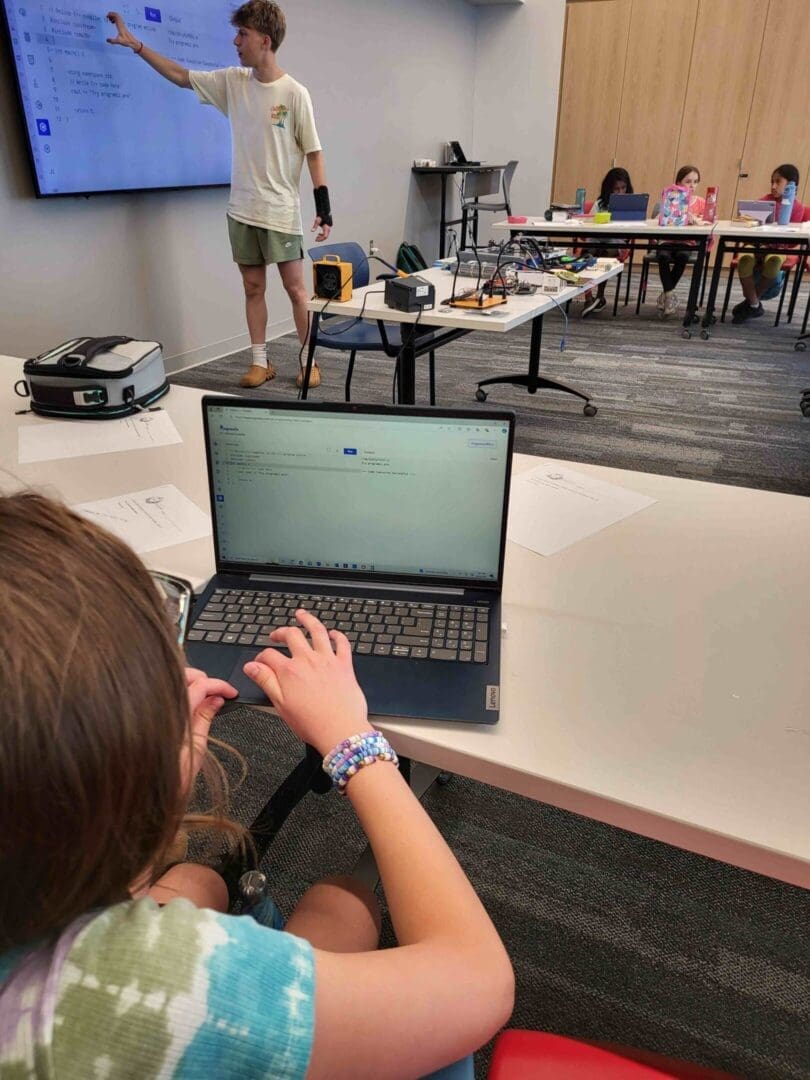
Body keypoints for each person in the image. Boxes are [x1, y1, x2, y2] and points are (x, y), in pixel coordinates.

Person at [0, 491, 514, 1078]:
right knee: (343, 901)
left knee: (194, 880)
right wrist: (352, 742)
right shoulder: (165, 988)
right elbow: (480, 980)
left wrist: (151, 782)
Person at [106, 2, 331, 390]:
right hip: (242, 210)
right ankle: (260, 362)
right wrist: (138, 46)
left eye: (242, 34)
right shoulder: (232, 82)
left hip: (280, 212)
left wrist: (323, 209)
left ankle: (307, 359)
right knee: (252, 288)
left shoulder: (295, 94)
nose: (235, 41)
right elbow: (180, 76)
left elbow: (313, 152)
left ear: (264, 39)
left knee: (296, 290)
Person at [732, 164, 806, 324]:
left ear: (791, 185)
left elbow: (791, 240)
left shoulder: (797, 207)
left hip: (778, 248)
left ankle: (751, 303)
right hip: (755, 245)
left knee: (773, 263)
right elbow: (748, 226)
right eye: (772, 181)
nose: (773, 186)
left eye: (778, 182)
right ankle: (755, 304)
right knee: (744, 261)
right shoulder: (763, 202)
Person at [654, 164, 706, 318]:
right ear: (678, 183)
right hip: (667, 240)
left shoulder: (701, 202)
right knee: (662, 256)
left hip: (687, 242)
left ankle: (666, 294)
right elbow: (657, 219)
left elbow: (707, 222)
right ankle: (670, 295)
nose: (692, 185)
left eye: (695, 182)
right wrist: (666, 214)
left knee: (683, 256)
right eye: (688, 181)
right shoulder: (670, 198)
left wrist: (694, 220)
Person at [582, 167, 634, 317]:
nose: (620, 192)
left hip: (615, 242)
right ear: (609, 189)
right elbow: (588, 225)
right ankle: (588, 297)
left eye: (623, 188)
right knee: (587, 255)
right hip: (596, 239)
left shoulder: (631, 205)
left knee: (604, 255)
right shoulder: (600, 203)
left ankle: (600, 295)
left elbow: (632, 229)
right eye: (616, 189)